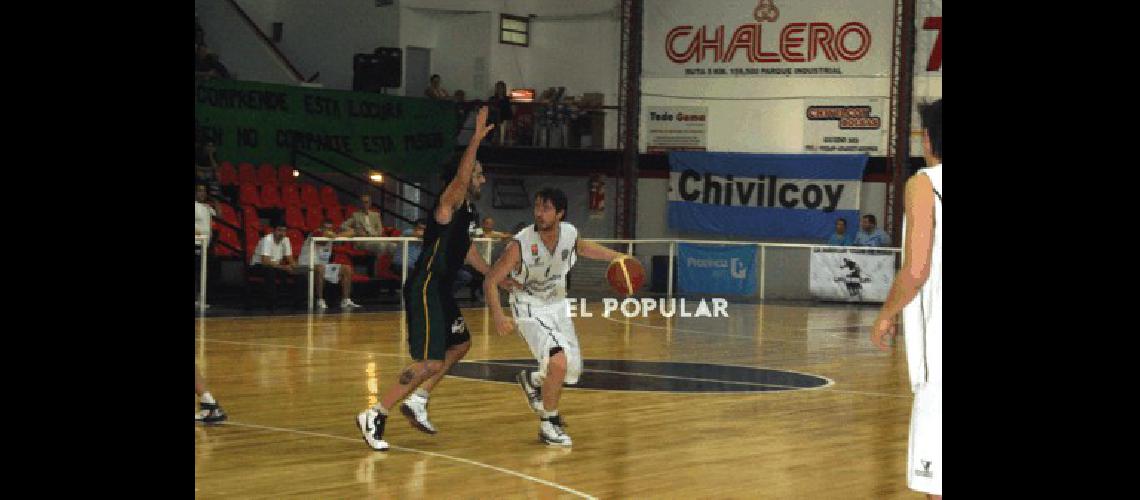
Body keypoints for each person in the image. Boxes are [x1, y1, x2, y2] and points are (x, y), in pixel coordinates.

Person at [356, 107, 517, 451]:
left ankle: (418, 400)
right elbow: (460, 180)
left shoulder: (469, 213)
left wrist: (494, 276)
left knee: (460, 345)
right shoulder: (448, 203)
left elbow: (467, 250)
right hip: (426, 287)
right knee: (429, 360)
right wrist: (473, 141)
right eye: (478, 174)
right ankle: (376, 413)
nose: (482, 179)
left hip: (442, 290)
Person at [484, 187, 632, 446]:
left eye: (546, 208)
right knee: (559, 362)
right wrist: (498, 316)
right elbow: (491, 280)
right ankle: (548, 424)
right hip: (528, 304)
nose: (539, 213)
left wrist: (617, 256)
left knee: (571, 371)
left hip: (558, 304)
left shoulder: (570, 234)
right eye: (537, 207)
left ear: (560, 214)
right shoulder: (521, 244)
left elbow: (583, 248)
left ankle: (532, 381)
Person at [870, 98, 941, 499]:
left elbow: (916, 269)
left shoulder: (925, 184)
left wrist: (887, 313)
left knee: (937, 478)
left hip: (940, 342)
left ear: (928, 138)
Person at [298, 220, 361, 309]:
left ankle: (346, 300)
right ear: (321, 227)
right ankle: (320, 300)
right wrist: (336, 235)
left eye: (330, 228)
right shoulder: (316, 233)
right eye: (326, 228)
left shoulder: (332, 236)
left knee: (347, 269)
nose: (328, 230)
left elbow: (352, 232)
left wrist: (337, 235)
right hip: (306, 265)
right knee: (321, 268)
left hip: (323, 265)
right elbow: (325, 238)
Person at [250, 224, 297, 310]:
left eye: (284, 231)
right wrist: (283, 267)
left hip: (275, 266)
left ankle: (298, 302)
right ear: (274, 231)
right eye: (279, 230)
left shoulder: (286, 240)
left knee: (297, 274)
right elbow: (265, 261)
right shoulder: (267, 240)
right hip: (258, 266)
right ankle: (271, 303)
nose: (282, 233)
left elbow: (289, 257)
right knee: (270, 271)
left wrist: (295, 268)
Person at [195, 184, 217, 308]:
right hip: (196, 243)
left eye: (204, 191)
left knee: (203, 272)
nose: (202, 193)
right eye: (199, 190)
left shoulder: (207, 207)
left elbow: (218, 215)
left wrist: (215, 201)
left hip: (206, 245)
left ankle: (200, 299)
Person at [488, 81, 514, 145]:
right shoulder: (492, 98)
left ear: (504, 89)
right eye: (498, 88)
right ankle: (495, 138)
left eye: (501, 88)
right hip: (496, 119)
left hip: (506, 118)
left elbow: (510, 109)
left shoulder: (507, 99)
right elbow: (491, 109)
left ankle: (506, 139)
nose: (500, 89)